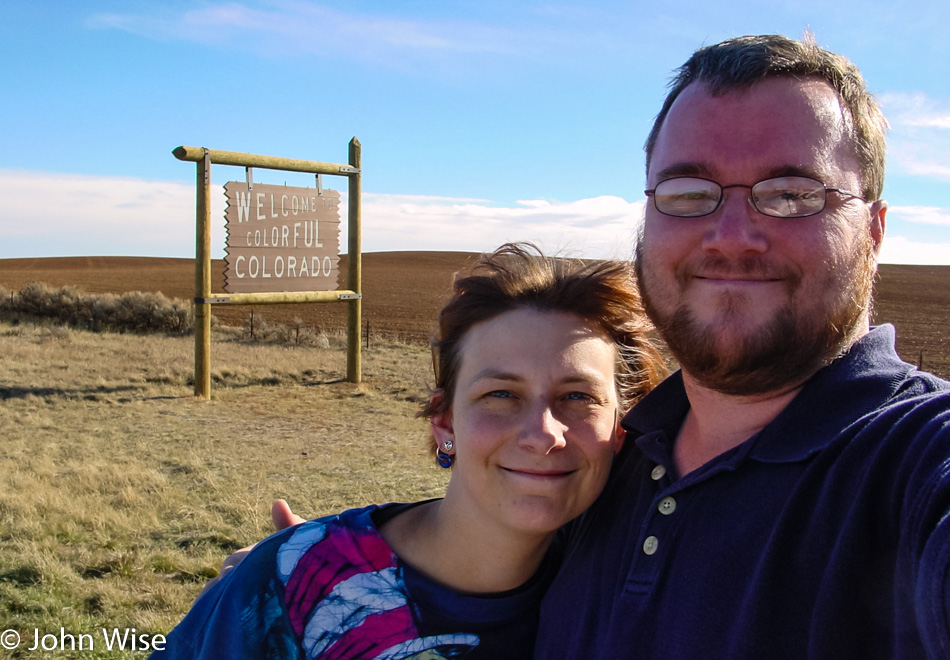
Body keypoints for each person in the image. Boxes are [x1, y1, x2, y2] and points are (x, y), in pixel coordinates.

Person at [531, 34, 950, 658]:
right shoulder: (602, 461)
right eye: (688, 193)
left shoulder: (914, 463)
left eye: (792, 193)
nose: (731, 237)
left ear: (874, 228)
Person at [151, 243, 666, 659]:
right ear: (445, 421)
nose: (541, 433)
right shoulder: (292, 589)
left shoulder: (619, 589)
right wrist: (308, 568)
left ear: (620, 429)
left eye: (578, 397)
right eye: (501, 395)